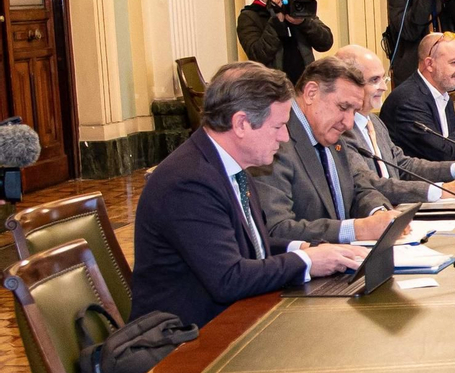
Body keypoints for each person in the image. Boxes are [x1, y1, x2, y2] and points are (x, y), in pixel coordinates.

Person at [130, 63, 366, 328]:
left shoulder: (233, 167)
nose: (285, 137)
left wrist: (305, 248)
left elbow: (252, 247)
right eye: (278, 126)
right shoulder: (188, 182)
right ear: (241, 123)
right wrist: (307, 261)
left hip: (232, 320)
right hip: (188, 340)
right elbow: (229, 278)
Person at [256, 56, 403, 243]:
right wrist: (356, 230)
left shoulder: (331, 134)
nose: (349, 123)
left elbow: (359, 187)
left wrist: (380, 214)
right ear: (311, 93)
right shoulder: (275, 141)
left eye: (354, 111)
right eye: (343, 107)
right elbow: (277, 229)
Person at [337, 45, 455, 204]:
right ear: (348, 84)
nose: (383, 87)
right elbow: (372, 185)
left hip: (400, 210)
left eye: (384, 78)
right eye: (375, 80)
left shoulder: (374, 121)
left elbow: (403, 165)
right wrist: (445, 189)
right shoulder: (342, 130)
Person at [380, 32, 455, 162]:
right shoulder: (408, 100)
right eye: (454, 62)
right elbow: (442, 154)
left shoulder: (441, 92)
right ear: (430, 64)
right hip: (417, 179)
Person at [236, 0, 333, 84]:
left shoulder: (296, 6)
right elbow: (257, 56)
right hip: (272, 89)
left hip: (305, 86)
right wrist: (276, 19)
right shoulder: (250, 16)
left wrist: (304, 22)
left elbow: (325, 42)